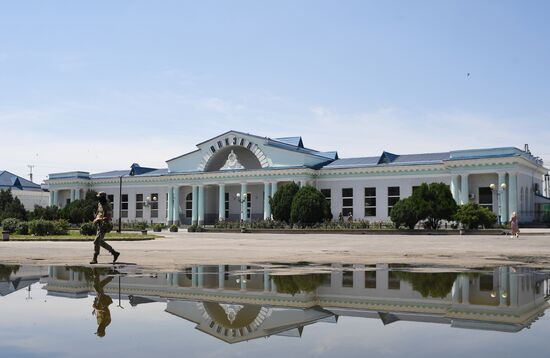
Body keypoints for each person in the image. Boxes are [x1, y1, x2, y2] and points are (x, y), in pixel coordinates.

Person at [90, 192, 120, 264]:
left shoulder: (108, 205)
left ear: (103, 197)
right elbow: (98, 212)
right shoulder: (100, 203)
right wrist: (96, 219)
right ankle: (114, 253)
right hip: (99, 224)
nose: (98, 199)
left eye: (99, 198)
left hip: (105, 225)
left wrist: (99, 219)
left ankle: (95, 258)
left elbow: (108, 217)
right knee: (100, 241)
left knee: (96, 241)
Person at [91, 269, 114, 337]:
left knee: (99, 285)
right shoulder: (107, 322)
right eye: (99, 330)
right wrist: (96, 308)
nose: (98, 329)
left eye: (97, 330)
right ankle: (96, 273)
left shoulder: (99, 323)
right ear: (102, 330)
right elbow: (106, 309)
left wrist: (94, 310)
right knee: (97, 286)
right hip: (104, 301)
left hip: (99, 301)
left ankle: (97, 273)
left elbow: (99, 313)